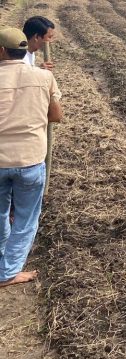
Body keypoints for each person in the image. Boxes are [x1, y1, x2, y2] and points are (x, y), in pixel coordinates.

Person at [0, 28, 62, 288]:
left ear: (1, 51)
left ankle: (3, 260)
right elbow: (56, 116)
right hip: (30, 158)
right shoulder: (44, 77)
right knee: (26, 217)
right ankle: (8, 272)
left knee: (2, 213)